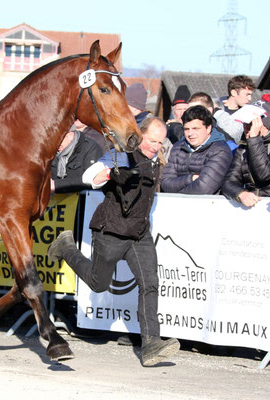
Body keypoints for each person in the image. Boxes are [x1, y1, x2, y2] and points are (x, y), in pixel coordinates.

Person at [47, 116, 180, 367]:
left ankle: (151, 344)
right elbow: (90, 175)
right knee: (98, 284)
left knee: (150, 283)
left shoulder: (156, 161)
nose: (155, 146)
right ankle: (66, 247)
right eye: (152, 140)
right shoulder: (120, 155)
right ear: (140, 135)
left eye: (160, 143)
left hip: (139, 234)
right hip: (111, 231)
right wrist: (108, 173)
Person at [222, 100, 270, 207]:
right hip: (253, 208)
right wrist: (241, 193)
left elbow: (265, 175)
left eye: (250, 123)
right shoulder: (245, 146)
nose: (246, 127)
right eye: (245, 123)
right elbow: (229, 182)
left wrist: (254, 139)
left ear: (262, 123)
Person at [160, 105, 233, 194]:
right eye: (186, 129)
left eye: (196, 128)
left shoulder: (220, 151)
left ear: (208, 128)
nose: (190, 133)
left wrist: (177, 194)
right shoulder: (178, 147)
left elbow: (203, 188)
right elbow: (165, 184)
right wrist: (190, 178)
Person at [50, 124, 103, 194]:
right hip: (55, 200)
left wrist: (56, 185)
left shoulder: (90, 148)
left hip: (82, 201)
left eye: (57, 139)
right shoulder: (52, 150)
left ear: (69, 135)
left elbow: (90, 180)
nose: (55, 144)